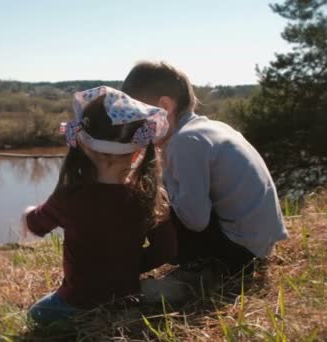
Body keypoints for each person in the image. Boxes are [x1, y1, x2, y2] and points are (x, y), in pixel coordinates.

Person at [121, 61, 288, 301]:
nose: (136, 126)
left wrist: (153, 193)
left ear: (165, 106)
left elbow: (195, 220)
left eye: (137, 116)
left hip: (239, 252)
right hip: (257, 244)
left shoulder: (185, 142)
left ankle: (197, 277)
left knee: (147, 202)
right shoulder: (208, 129)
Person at [21, 86, 177, 326]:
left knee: (35, 314)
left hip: (77, 302)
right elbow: (165, 250)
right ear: (137, 154)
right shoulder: (149, 196)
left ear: (84, 146)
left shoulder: (70, 196)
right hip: (125, 299)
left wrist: (28, 214)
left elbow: (36, 225)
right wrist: (129, 265)